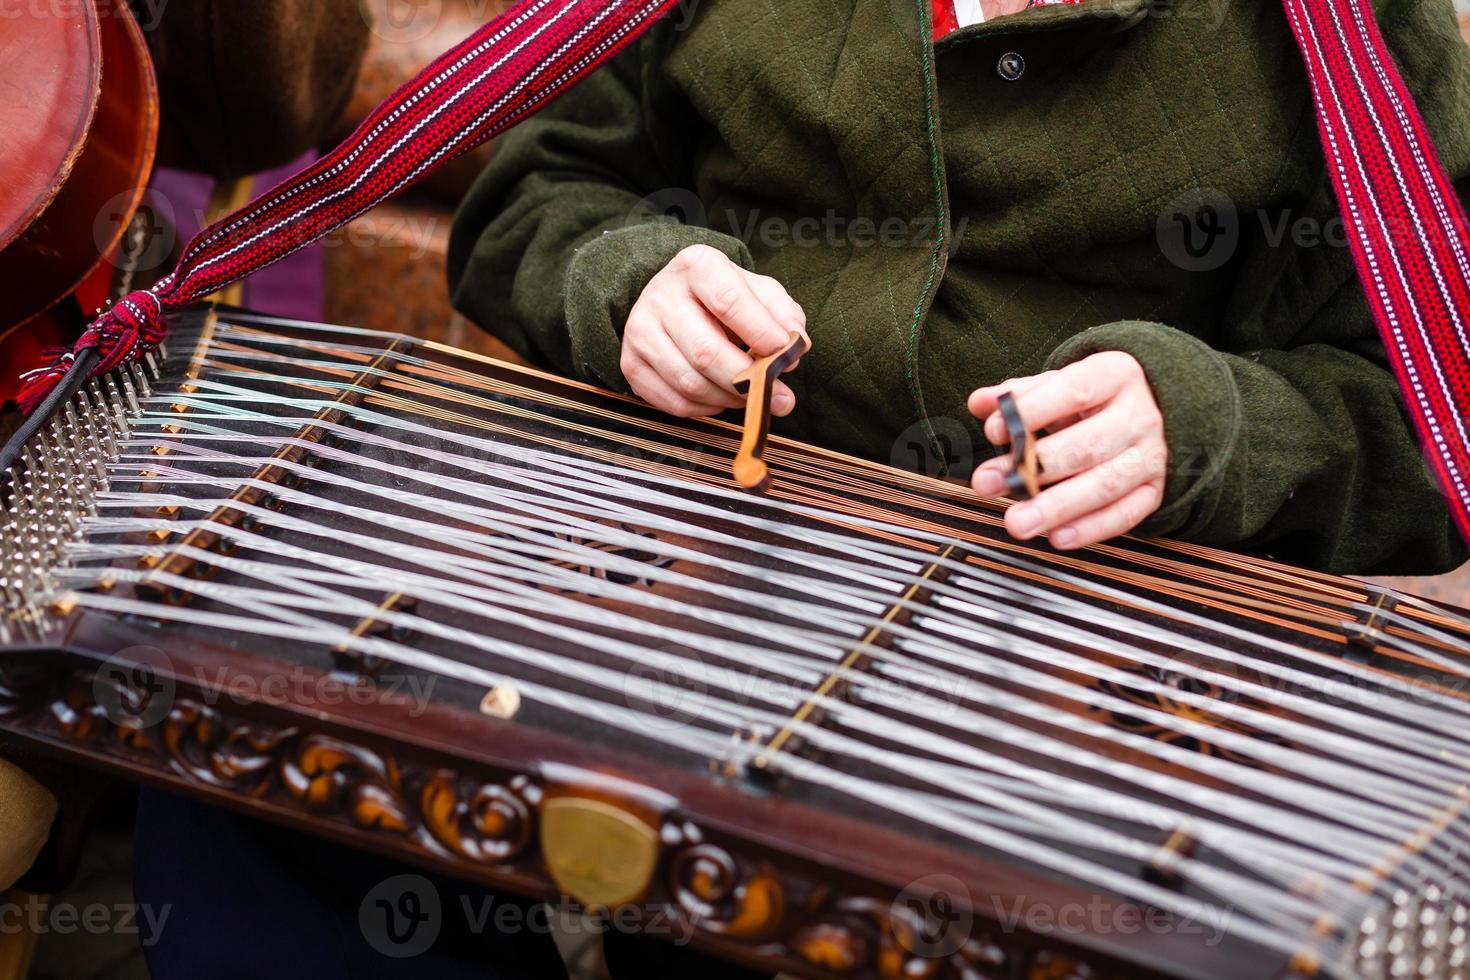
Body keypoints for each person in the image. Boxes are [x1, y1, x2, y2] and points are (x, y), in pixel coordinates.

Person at [449, 0, 1470, 574]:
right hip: (699, 579)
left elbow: (1438, 418)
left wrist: (1207, 429)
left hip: (1097, 684)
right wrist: (630, 288)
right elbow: (531, 198)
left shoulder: (1356, 26)